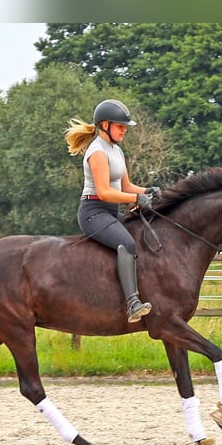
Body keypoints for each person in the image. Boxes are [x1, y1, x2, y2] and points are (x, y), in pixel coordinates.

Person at [65, 99, 160, 323]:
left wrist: (148, 190)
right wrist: (137, 199)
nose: (124, 130)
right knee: (126, 244)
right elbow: (105, 192)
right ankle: (133, 303)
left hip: (110, 211)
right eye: (120, 126)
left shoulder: (116, 151)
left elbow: (126, 187)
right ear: (105, 125)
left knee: (141, 234)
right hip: (93, 212)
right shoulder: (97, 151)